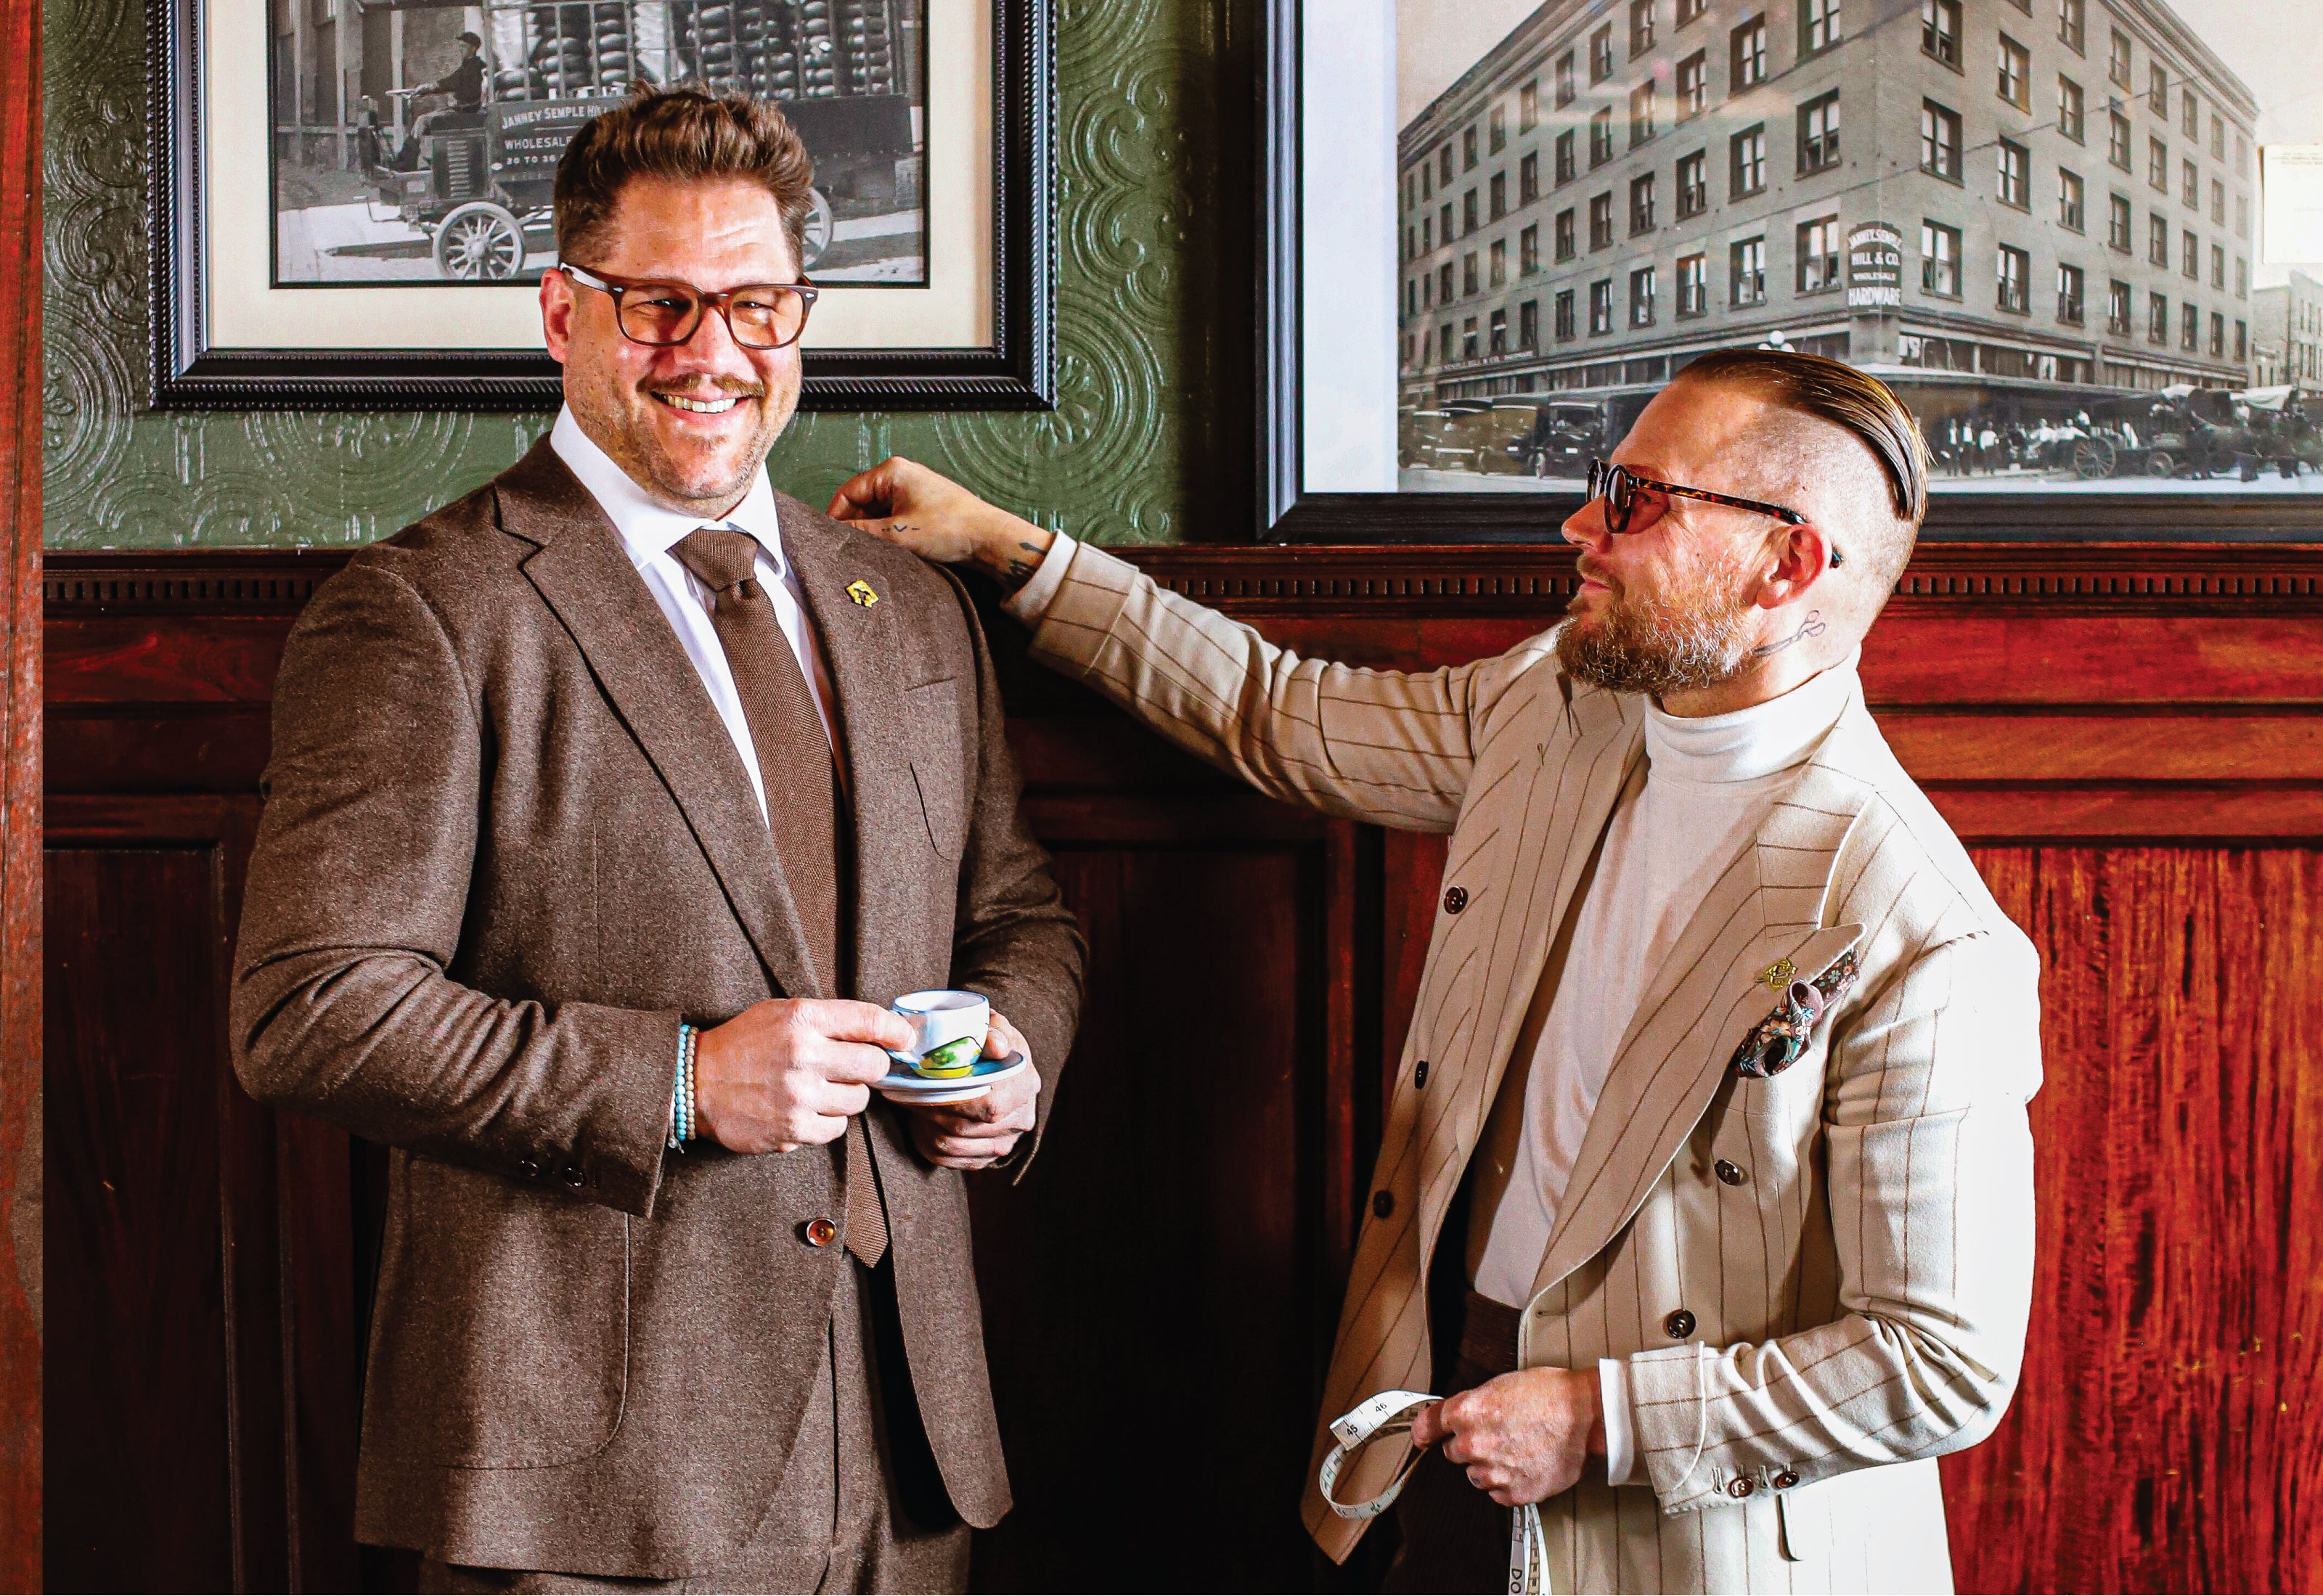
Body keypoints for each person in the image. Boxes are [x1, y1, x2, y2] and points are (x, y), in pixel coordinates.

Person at [830, 350, 2041, 1593]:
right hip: (1451, 1401)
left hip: (1689, 1529)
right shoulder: (1559, 701)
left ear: (1787, 566)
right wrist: (1009, 549)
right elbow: (1280, 711)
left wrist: (1597, 1415)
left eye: (1635, 498)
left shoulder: (1919, 931)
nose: (1580, 524)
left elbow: (1940, 1357)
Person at [232, 84, 1085, 1592]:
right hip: (591, 1476)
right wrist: (685, 1080)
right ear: (563, 311)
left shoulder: (909, 608)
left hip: (905, 1446)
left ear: (801, 315)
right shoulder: (425, 611)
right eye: (659, 305)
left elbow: (1017, 909)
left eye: (755, 303)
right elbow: (314, 1010)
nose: (713, 352)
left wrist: (1014, 1059)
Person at [393, 30, 489, 167]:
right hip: (464, 111)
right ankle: (420, 159)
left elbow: (452, 82)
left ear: (473, 49)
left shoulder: (473, 67)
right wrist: (428, 90)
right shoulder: (471, 65)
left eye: (463, 47)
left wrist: (429, 87)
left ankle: (406, 163)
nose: (460, 50)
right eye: (460, 46)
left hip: (464, 113)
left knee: (422, 121)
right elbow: (452, 82)